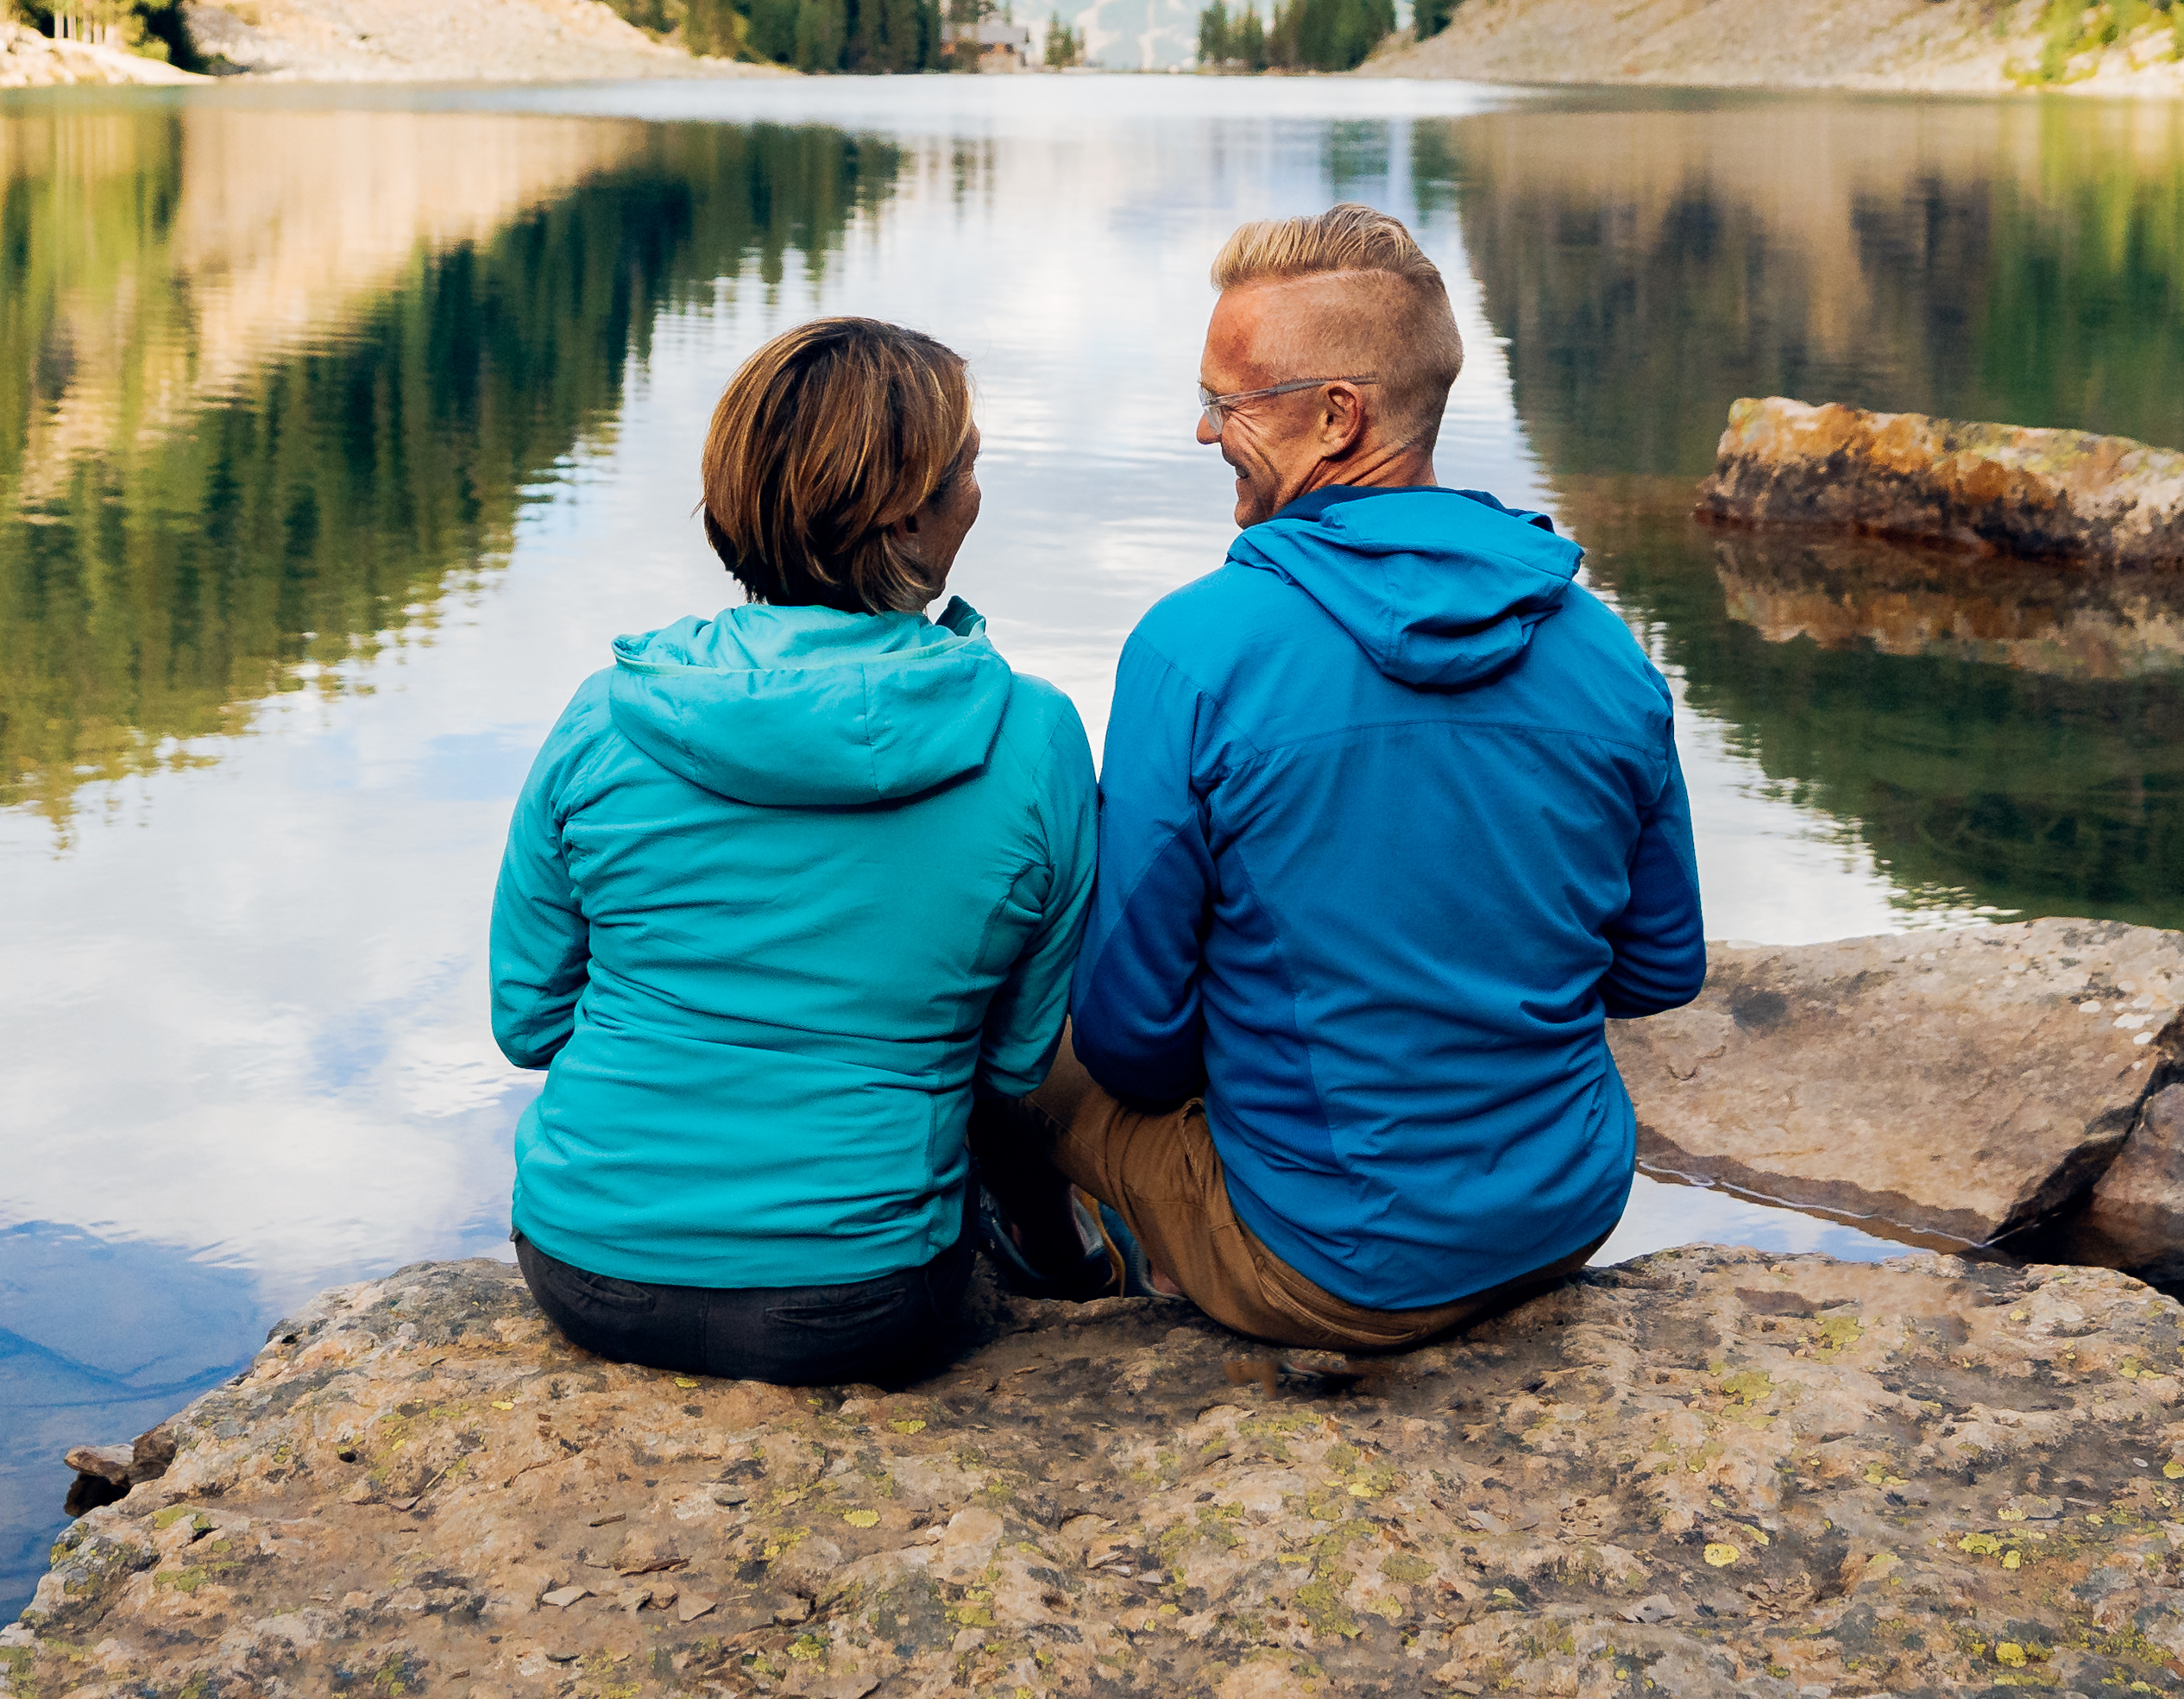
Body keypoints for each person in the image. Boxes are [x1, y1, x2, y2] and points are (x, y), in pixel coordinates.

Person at [1008, 203, 1703, 1351]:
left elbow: (1135, 1039)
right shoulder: (1605, 645)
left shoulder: (1196, 647)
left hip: (1328, 1264)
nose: (1200, 430)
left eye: (1227, 402)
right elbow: (1656, 969)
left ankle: (1097, 1287)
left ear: (1338, 416)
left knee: (1016, 1046)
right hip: (1567, 1213)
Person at [485, 315, 1096, 1388]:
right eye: (970, 470)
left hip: (584, 1269)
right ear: (917, 514)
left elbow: (528, 1022)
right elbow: (1010, 1065)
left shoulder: (606, 716)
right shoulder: (1033, 738)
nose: (977, 494)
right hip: (862, 1298)